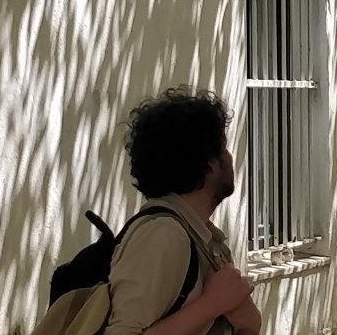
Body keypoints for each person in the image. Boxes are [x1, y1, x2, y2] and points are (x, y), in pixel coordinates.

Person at [104, 89, 260, 335]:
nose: (230, 158)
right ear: (209, 163)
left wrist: (248, 323)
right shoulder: (163, 235)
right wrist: (212, 304)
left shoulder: (202, 236)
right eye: (223, 148)